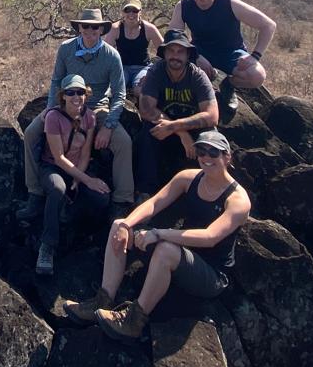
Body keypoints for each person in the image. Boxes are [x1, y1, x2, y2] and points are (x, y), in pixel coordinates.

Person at [65, 129, 251, 341]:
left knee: (165, 250)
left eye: (213, 152)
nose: (206, 158)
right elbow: (154, 203)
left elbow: (210, 237)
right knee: (119, 225)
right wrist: (126, 225)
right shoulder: (189, 178)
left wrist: (158, 233)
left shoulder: (238, 200)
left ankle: (133, 320)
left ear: (227, 156)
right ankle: (102, 301)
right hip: (183, 254)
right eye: (201, 151)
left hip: (211, 274)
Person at [19, 9, 133, 221]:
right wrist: (52, 108)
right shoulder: (66, 49)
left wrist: (108, 125)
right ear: (79, 27)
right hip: (65, 105)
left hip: (97, 106)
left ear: (102, 29)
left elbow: (119, 94)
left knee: (123, 142)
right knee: (33, 133)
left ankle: (122, 200)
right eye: (86, 26)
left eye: (95, 27)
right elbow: (56, 81)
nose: (90, 31)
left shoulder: (111, 56)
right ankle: (34, 193)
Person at [34, 74, 113, 275]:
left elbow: (86, 153)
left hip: (78, 169)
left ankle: (78, 229)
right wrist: (86, 179)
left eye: (80, 92)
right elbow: (59, 157)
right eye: (71, 93)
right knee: (58, 189)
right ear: (63, 96)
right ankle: (47, 246)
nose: (76, 97)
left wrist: (79, 178)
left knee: (101, 197)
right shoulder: (53, 117)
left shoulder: (90, 117)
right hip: (52, 168)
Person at [135, 30, 219, 198]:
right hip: (164, 126)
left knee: (212, 140)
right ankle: (145, 192)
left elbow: (211, 115)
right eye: (171, 51)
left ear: (188, 54)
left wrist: (177, 126)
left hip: (189, 128)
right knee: (147, 134)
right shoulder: (156, 72)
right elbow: (146, 109)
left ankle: (212, 191)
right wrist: (180, 132)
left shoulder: (197, 76)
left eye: (180, 51)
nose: (175, 56)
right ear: (164, 53)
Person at [169, 0, 277, 93]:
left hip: (231, 53)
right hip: (200, 52)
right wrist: (194, 55)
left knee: (257, 76)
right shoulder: (183, 6)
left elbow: (268, 25)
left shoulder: (229, 4)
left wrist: (255, 56)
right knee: (172, 64)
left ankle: (227, 85)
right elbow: (173, 36)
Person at [103, 0, 163, 95]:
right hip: (121, 67)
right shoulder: (115, 29)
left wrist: (154, 71)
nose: (131, 14)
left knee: (140, 90)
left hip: (143, 68)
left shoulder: (149, 29)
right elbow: (104, 54)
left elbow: (165, 52)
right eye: (127, 10)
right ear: (122, 12)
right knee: (115, 89)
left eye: (134, 10)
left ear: (140, 12)